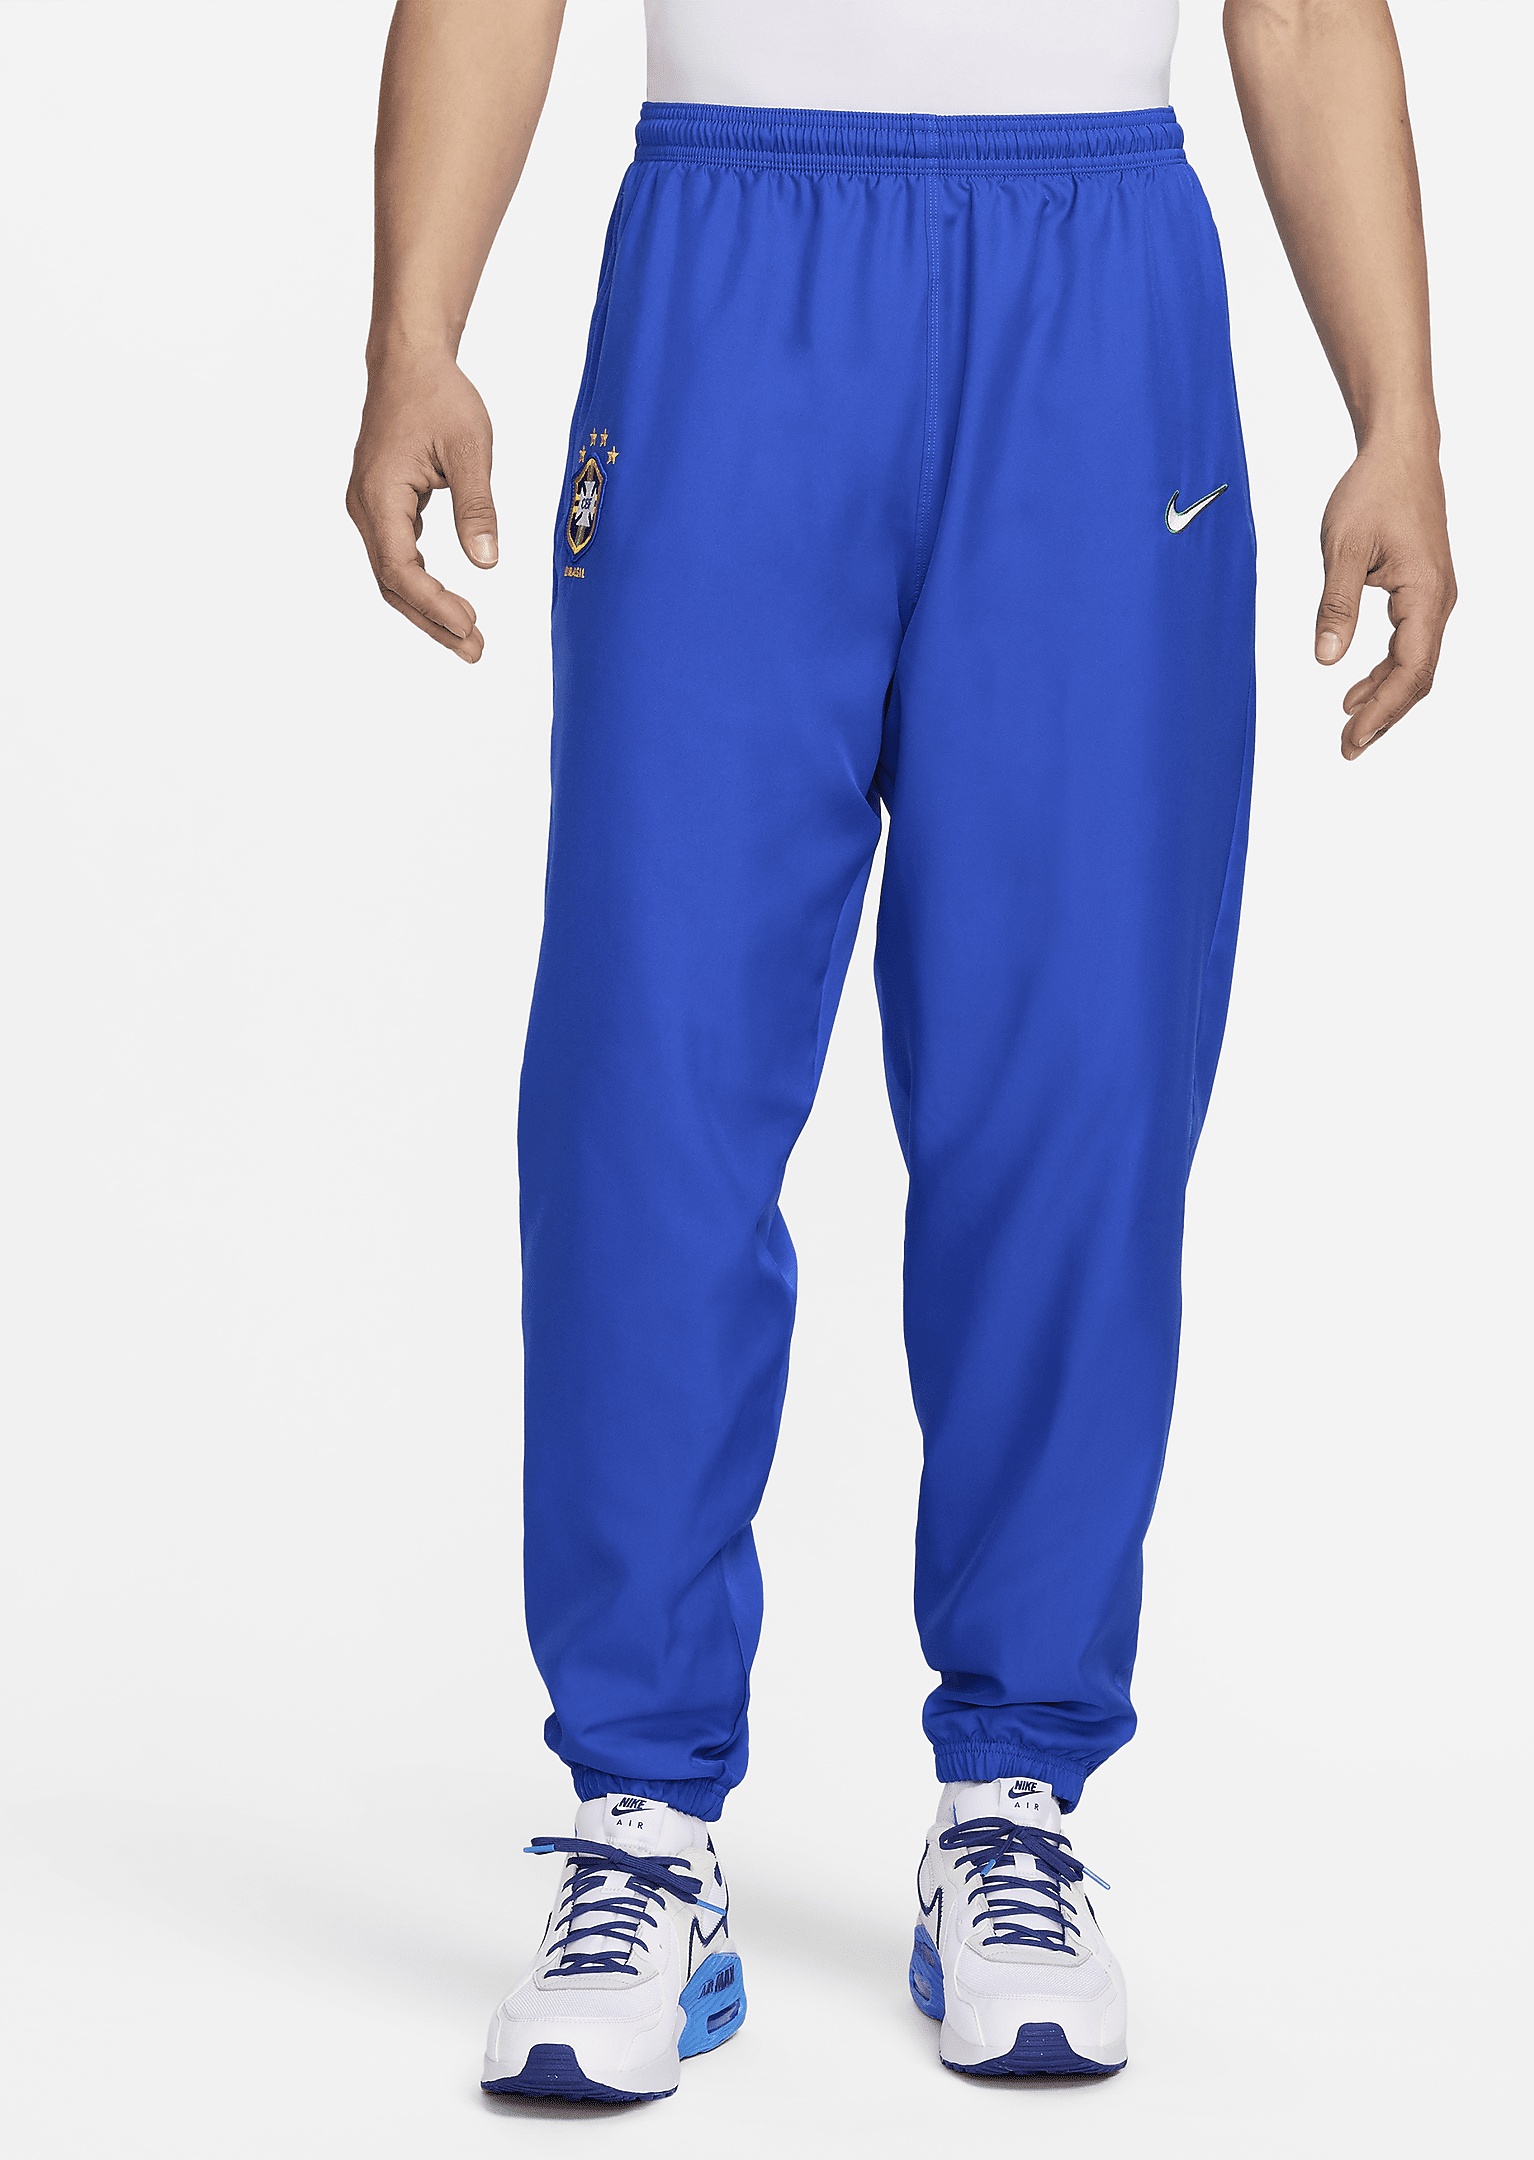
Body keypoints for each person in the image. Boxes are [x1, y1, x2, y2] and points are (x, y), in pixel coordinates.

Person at [347, 0, 1455, 2102]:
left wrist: (1396, 414)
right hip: (732, 264)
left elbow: (1303, 9)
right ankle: (640, 1822)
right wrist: (416, 330)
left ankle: (1015, 1801)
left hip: (1096, 288)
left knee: (1078, 1088)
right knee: (649, 1085)